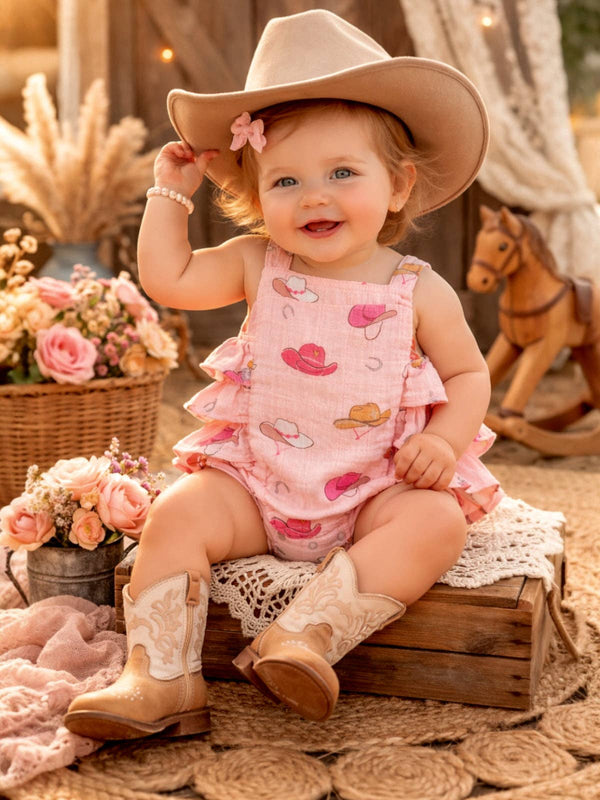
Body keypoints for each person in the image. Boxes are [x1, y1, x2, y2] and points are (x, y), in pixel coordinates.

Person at [64, 9, 503, 739]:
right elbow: (166, 277)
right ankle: (161, 677)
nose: (314, 195)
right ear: (256, 192)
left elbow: (468, 375)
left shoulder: (416, 286)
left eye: (342, 173)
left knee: (438, 521)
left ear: (397, 186)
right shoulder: (254, 261)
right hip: (258, 484)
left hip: (373, 491)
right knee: (177, 512)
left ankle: (305, 637)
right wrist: (170, 192)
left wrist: (448, 438)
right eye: (287, 179)